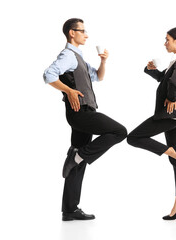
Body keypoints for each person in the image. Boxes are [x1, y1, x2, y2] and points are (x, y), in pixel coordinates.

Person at [43, 18, 127, 221]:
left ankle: (70, 210)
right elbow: (48, 74)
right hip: (80, 113)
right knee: (119, 131)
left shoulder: (79, 58)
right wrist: (69, 90)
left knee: (77, 163)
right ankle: (77, 156)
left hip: (83, 111)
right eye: (82, 31)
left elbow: (98, 76)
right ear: (72, 33)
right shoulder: (68, 56)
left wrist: (103, 61)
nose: (86, 34)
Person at [127, 27, 176, 220]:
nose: (165, 43)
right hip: (174, 116)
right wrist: (151, 70)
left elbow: (173, 83)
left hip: (169, 115)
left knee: (133, 137)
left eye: (167, 40)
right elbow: (165, 80)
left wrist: (171, 99)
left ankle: (172, 151)